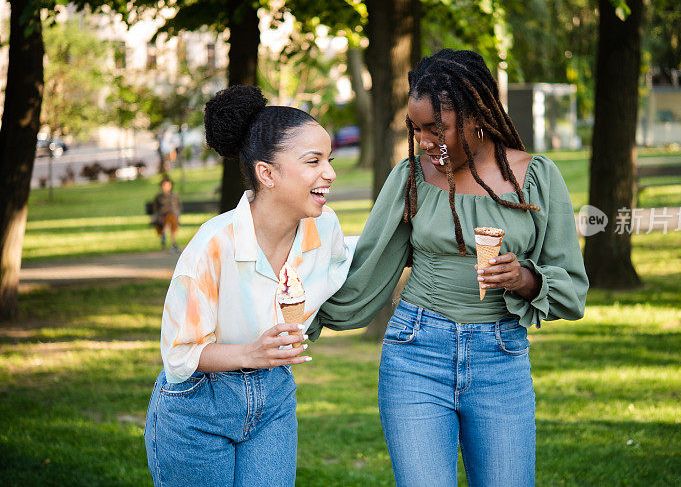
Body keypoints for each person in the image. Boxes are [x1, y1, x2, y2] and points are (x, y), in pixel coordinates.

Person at [309, 49, 588, 486]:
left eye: (436, 128)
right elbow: (368, 269)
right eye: (415, 129)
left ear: (476, 116)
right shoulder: (411, 178)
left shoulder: (536, 178)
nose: (423, 140)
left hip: (501, 358)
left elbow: (571, 286)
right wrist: (296, 314)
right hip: (416, 352)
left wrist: (524, 279)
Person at [144, 85, 353, 486]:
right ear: (267, 173)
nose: (329, 172)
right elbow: (179, 354)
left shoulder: (325, 229)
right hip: (197, 406)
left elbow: (352, 261)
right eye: (314, 161)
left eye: (328, 159)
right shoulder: (212, 245)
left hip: (273, 399)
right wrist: (252, 352)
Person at [151, 175, 181, 251]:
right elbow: (155, 209)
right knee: (170, 218)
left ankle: (165, 232)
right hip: (162, 217)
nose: (166, 187)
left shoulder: (174, 195)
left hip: (173, 216)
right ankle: (173, 242)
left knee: (171, 217)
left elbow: (178, 207)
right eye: (164, 185)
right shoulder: (159, 197)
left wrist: (177, 215)